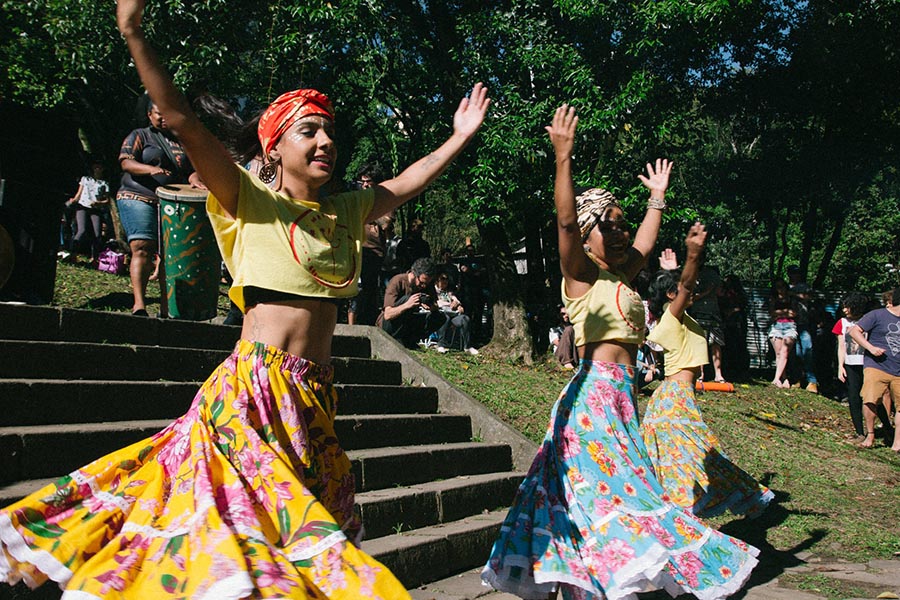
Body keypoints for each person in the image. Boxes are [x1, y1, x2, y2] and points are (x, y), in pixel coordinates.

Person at [0, 1, 490, 597]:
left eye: (330, 131)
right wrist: (133, 32)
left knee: (295, 554)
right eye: (309, 131)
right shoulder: (248, 200)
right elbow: (180, 117)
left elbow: (413, 178)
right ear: (275, 148)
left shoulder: (345, 212)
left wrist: (459, 138)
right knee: (278, 549)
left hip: (314, 400)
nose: (326, 140)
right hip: (251, 395)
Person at [482, 104, 758, 600]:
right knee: (604, 495)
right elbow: (565, 224)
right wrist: (563, 157)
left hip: (622, 400)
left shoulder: (620, 275)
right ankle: (590, 584)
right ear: (587, 235)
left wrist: (657, 200)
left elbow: (645, 249)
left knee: (615, 495)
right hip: (591, 399)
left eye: (621, 223)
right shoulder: (581, 274)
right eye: (607, 224)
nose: (619, 230)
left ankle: (594, 585)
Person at [641, 225, 773, 519]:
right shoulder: (670, 319)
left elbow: (685, 288)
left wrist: (673, 272)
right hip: (672, 398)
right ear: (670, 295)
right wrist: (693, 254)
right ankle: (679, 515)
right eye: (679, 290)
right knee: (695, 457)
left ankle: (679, 515)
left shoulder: (683, 318)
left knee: (696, 457)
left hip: (677, 397)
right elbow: (686, 287)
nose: (694, 289)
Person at [115, 96, 206, 317]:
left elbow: (190, 169)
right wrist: (149, 170)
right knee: (142, 247)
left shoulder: (181, 142)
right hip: (137, 196)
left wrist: (194, 179)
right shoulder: (140, 135)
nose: (164, 118)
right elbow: (126, 161)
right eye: (159, 114)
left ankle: (167, 309)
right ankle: (139, 304)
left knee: (170, 255)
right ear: (149, 115)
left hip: (169, 202)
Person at [849, 287, 900, 451]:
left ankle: (897, 443)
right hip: (876, 365)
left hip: (898, 368)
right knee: (870, 400)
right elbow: (854, 331)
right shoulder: (877, 315)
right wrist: (870, 348)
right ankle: (870, 434)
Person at [347, 163, 386, 325]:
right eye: (361, 182)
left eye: (368, 182)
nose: (364, 185)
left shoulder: (383, 199)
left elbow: (386, 224)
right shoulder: (356, 200)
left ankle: (369, 323)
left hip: (374, 253)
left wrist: (369, 210)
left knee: (370, 290)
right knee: (355, 289)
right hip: (355, 250)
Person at [377, 257, 445, 349]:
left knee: (440, 317)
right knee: (407, 298)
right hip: (390, 324)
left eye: (426, 284)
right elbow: (387, 315)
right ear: (414, 274)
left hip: (410, 321)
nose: (423, 286)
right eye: (421, 283)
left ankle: (410, 340)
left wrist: (431, 306)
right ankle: (396, 339)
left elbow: (435, 304)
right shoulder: (398, 281)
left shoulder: (427, 285)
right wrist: (407, 305)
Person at [833, 291, 871, 442]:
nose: (844, 310)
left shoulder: (868, 320)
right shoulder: (842, 323)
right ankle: (860, 432)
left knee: (872, 398)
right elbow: (841, 346)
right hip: (851, 364)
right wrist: (840, 366)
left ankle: (884, 428)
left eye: (847, 306)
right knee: (854, 397)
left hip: (868, 363)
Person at [66, 159, 112, 264]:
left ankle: (94, 258)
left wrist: (99, 203)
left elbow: (107, 200)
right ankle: (73, 254)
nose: (97, 169)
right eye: (96, 167)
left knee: (97, 234)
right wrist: (73, 201)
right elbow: (79, 194)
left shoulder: (104, 183)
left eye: (99, 167)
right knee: (81, 230)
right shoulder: (85, 179)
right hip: (83, 206)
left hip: (96, 208)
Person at [688, 262, 726, 383]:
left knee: (716, 342)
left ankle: (718, 374)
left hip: (713, 313)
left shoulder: (712, 274)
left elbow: (720, 293)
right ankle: (700, 373)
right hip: (697, 314)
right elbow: (691, 297)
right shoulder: (691, 274)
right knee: (699, 343)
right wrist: (707, 291)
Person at [432, 271, 478, 355]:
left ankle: (467, 346)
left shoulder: (448, 292)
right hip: (440, 314)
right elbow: (437, 303)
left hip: (453, 314)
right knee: (445, 318)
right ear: (437, 280)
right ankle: (441, 344)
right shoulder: (433, 291)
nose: (445, 281)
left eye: (446, 279)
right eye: (442, 279)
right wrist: (449, 304)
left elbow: (456, 300)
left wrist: (458, 305)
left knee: (465, 319)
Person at [767, 278, 797, 388]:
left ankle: (776, 378)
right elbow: (771, 312)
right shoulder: (773, 299)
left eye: (782, 286)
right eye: (778, 287)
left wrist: (779, 313)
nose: (780, 289)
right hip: (776, 326)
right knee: (779, 354)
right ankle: (784, 378)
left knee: (785, 352)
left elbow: (793, 313)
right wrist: (785, 312)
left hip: (790, 327)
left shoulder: (791, 299)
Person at [719, 273, 750, 381]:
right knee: (727, 347)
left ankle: (740, 371)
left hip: (737, 322)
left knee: (739, 346)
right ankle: (728, 371)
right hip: (726, 322)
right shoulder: (724, 292)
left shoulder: (739, 293)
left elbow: (742, 306)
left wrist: (733, 311)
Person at [791, 282, 820, 393]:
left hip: (804, 323)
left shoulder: (804, 286)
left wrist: (793, 294)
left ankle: (812, 381)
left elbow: (809, 296)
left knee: (808, 351)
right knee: (796, 353)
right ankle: (797, 379)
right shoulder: (784, 287)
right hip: (790, 324)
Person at [549, 304, 577, 369]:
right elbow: (558, 343)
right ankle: (566, 362)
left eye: (567, 314)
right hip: (560, 354)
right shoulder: (554, 329)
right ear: (559, 316)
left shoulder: (574, 328)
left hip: (573, 354)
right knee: (569, 329)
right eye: (563, 314)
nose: (566, 316)